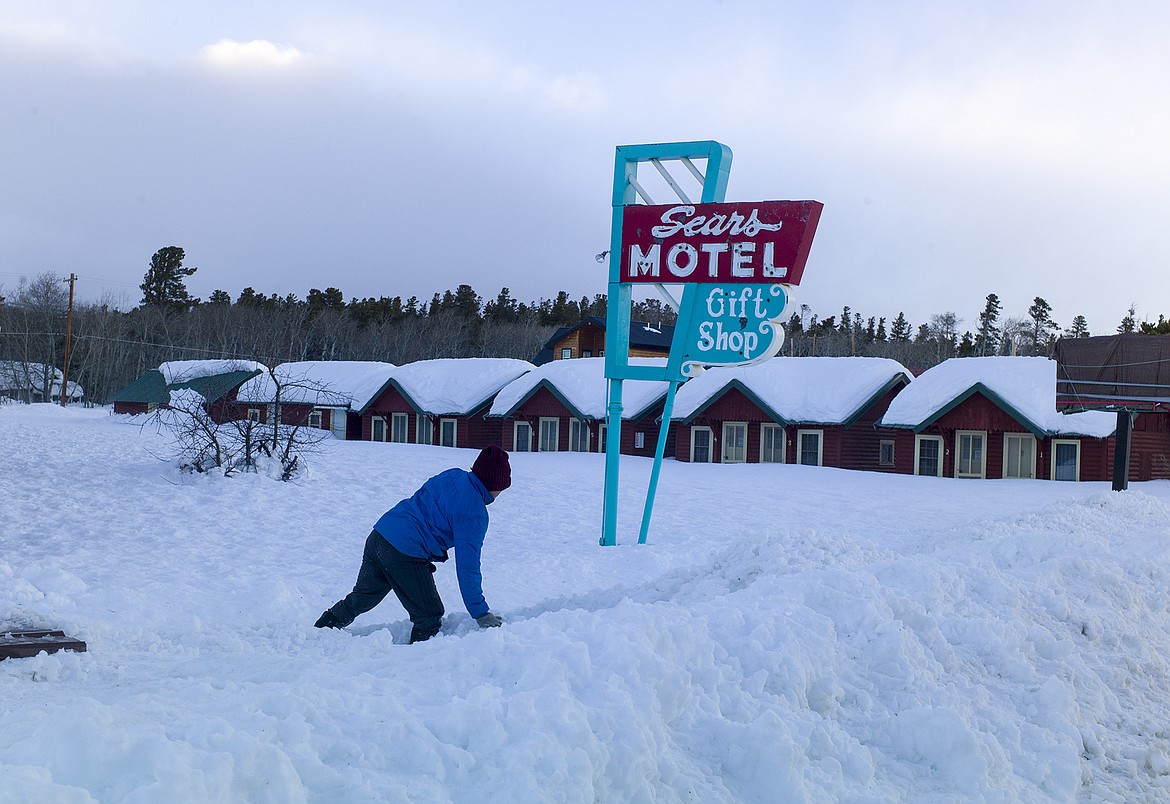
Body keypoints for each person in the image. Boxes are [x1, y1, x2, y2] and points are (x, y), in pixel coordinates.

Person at [315, 444, 510, 643]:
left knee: (364, 596)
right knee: (429, 616)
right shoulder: (474, 513)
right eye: (502, 488)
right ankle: (416, 668)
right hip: (405, 552)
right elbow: (468, 567)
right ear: (495, 484)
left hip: (381, 535)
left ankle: (319, 631)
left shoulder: (452, 475)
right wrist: (480, 612)